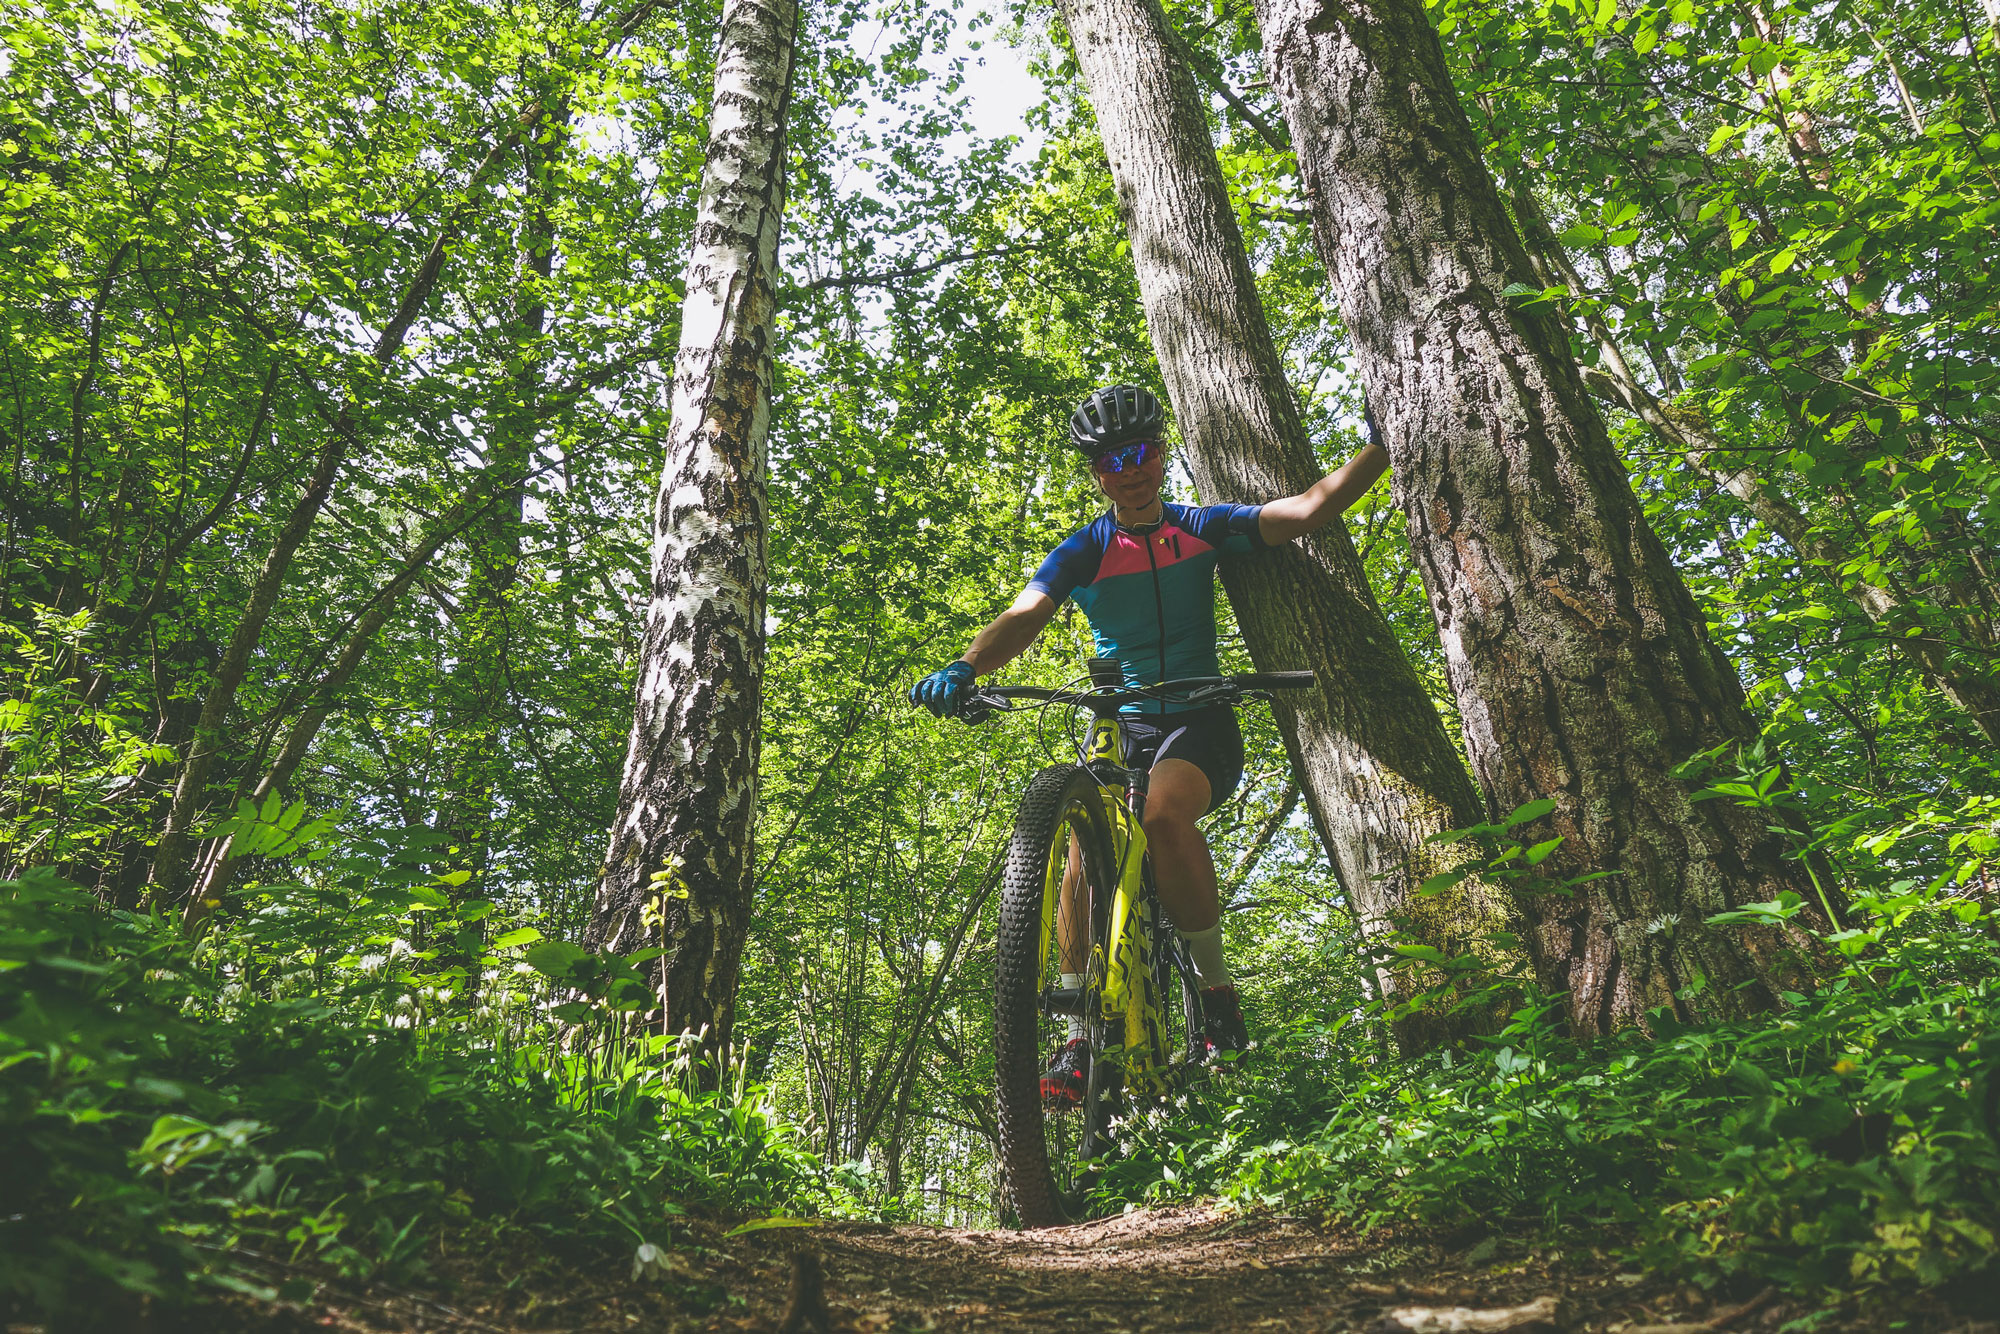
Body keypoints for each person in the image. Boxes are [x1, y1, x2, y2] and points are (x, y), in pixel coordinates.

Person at [909, 384, 1388, 1104]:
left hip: (1199, 721)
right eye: (1109, 461)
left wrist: (1382, 447)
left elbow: (1306, 511)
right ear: (1097, 474)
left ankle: (1216, 992)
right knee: (1076, 856)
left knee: (1163, 815)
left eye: (1139, 454)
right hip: (1121, 724)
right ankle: (1076, 1038)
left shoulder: (1202, 526)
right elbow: (1024, 615)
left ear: (1160, 456)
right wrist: (966, 666)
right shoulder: (1084, 550)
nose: (1128, 470)